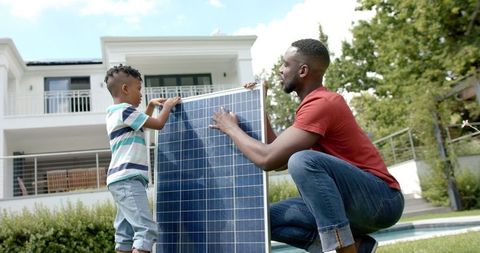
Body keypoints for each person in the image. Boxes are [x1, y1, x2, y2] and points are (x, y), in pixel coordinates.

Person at [209, 39, 404, 253]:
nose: (280, 70)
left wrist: (231, 129)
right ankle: (357, 247)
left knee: (302, 160)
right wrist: (260, 106)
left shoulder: (322, 103)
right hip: (348, 204)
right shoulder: (309, 108)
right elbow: (278, 158)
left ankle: (344, 250)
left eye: (285, 64)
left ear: (302, 70)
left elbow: (267, 159)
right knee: (263, 220)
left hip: (381, 200)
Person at [104, 64, 181, 253]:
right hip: (128, 178)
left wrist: (150, 106)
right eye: (139, 89)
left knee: (124, 233)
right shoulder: (125, 111)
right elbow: (158, 124)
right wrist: (168, 106)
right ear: (125, 89)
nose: (141, 94)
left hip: (118, 180)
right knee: (145, 230)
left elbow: (141, 125)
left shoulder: (115, 113)